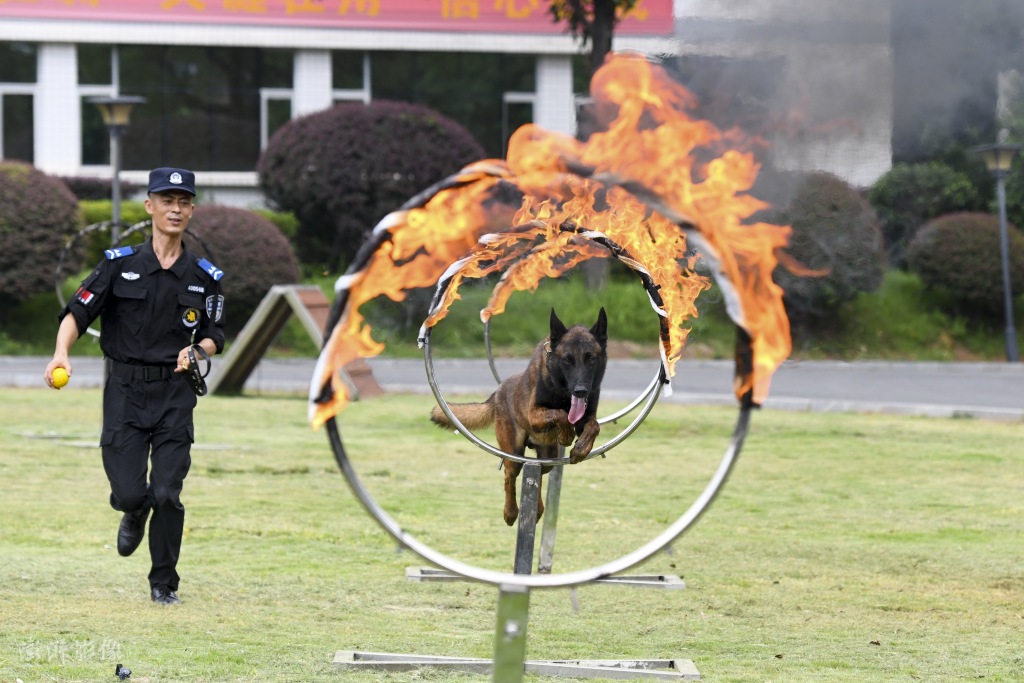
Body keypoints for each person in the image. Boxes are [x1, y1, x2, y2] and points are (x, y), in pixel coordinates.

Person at [45, 167, 225, 605]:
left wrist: (197, 352)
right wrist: (60, 353)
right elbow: (77, 313)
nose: (175, 208)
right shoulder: (118, 265)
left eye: (184, 201)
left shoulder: (205, 277)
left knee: (167, 492)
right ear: (150, 207)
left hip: (175, 393)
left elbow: (216, 334)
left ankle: (163, 584)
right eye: (167, 200)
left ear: (192, 209)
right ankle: (132, 509)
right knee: (130, 490)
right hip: (124, 391)